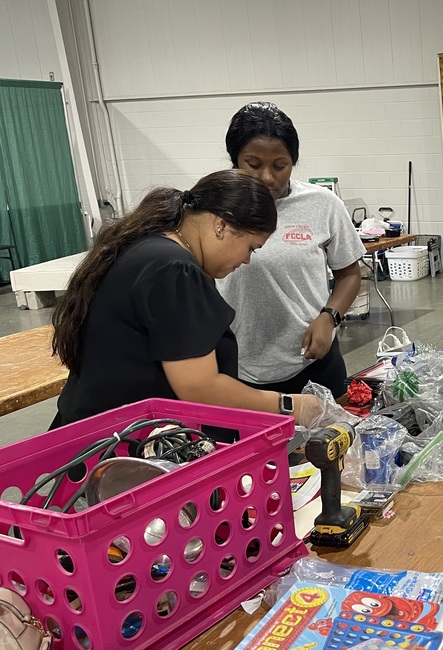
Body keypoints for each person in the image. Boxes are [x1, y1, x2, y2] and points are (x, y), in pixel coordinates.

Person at [50, 170, 320, 427]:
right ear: (221, 225)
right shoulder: (176, 270)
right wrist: (291, 406)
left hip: (97, 427)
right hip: (115, 441)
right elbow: (200, 387)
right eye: (251, 247)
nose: (247, 260)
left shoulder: (147, 246)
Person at [219, 102, 364, 398]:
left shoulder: (322, 204)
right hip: (238, 368)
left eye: (280, 165)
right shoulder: (215, 206)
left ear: (293, 162)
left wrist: (329, 317)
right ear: (235, 161)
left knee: (331, 442)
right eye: (253, 164)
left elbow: (349, 274)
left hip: (313, 361)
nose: (268, 178)